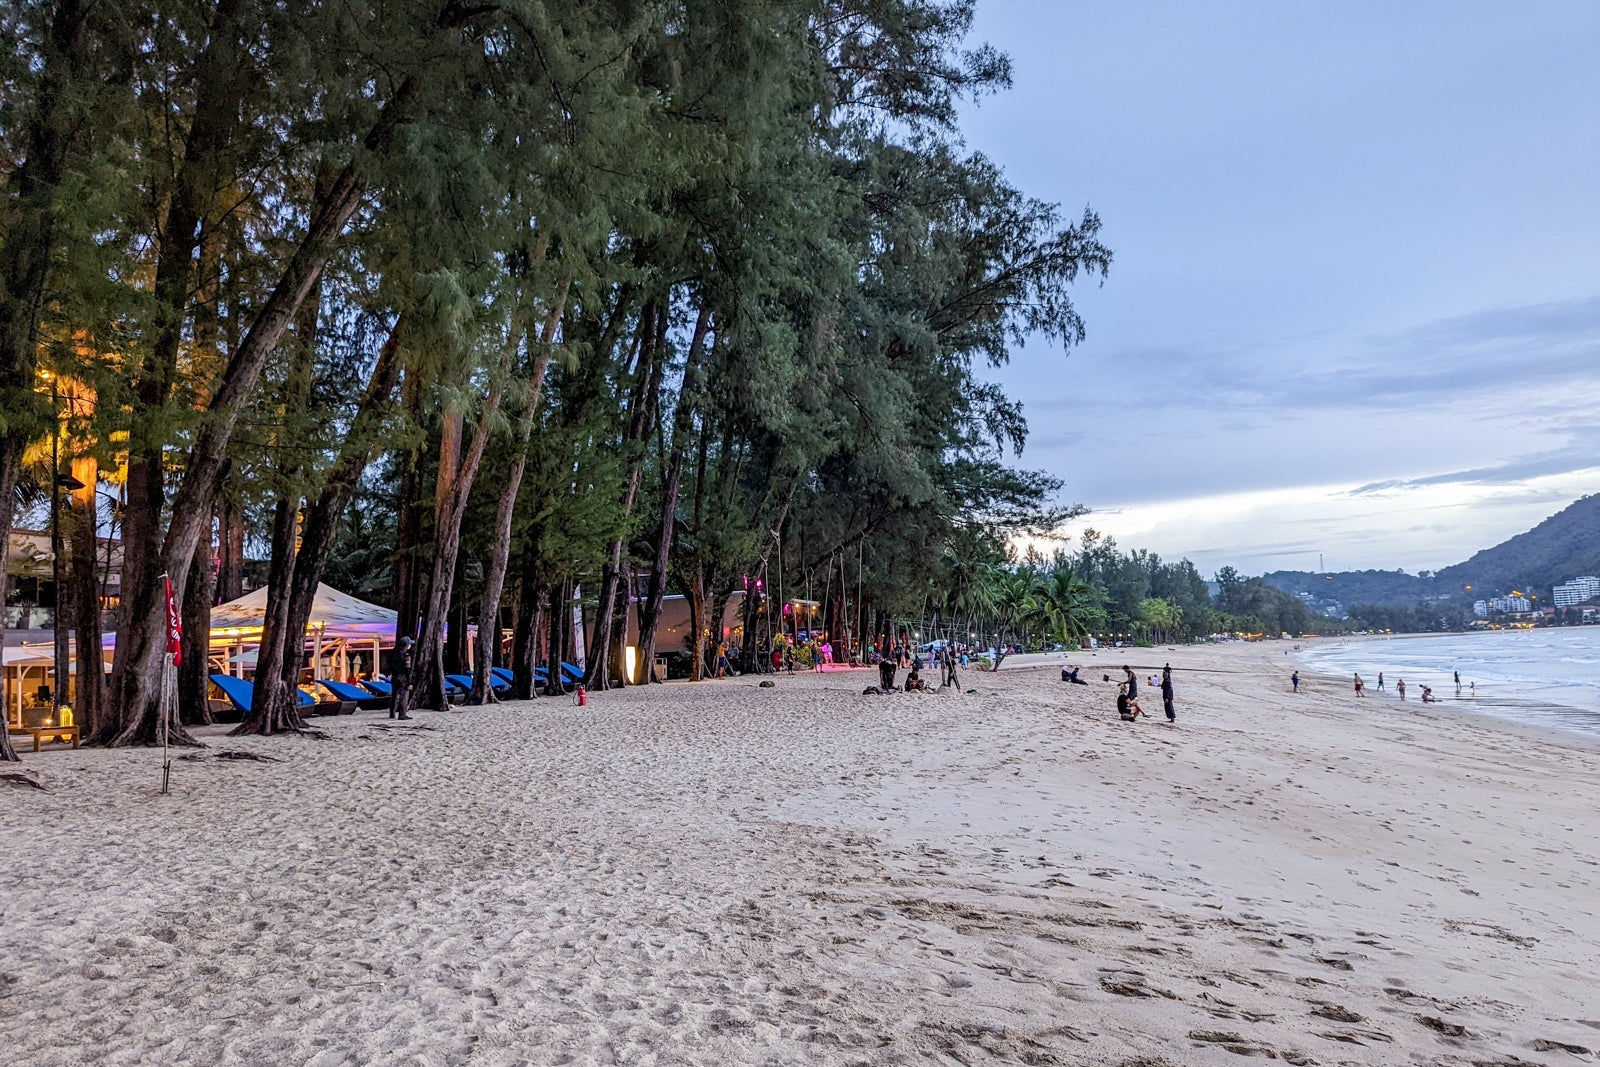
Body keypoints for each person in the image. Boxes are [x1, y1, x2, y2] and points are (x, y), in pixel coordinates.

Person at [390, 636, 414, 720]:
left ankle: (392, 713)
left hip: (394, 676)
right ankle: (402, 714)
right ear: (406, 645)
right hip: (402, 677)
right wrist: (409, 682)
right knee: (404, 696)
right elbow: (407, 669)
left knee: (394, 695)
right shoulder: (406, 655)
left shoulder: (393, 654)